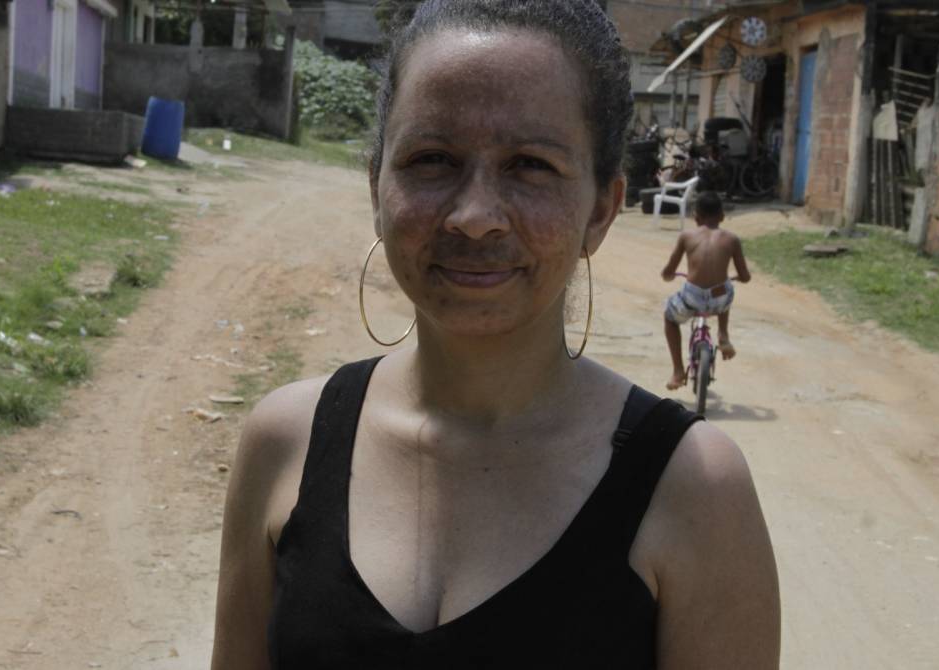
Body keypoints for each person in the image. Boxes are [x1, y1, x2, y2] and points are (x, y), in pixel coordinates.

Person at [211, 1, 779, 668]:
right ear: (376, 186)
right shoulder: (286, 442)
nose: (475, 216)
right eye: (431, 159)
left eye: (531, 166)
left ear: (601, 209)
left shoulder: (695, 490)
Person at [661, 191, 752, 391]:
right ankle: (723, 335)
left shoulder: (687, 236)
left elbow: (668, 271)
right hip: (719, 299)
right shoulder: (732, 239)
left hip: (692, 298)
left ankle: (678, 372)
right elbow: (745, 276)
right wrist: (739, 278)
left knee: (669, 317)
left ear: (696, 218)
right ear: (722, 216)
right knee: (726, 288)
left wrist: (668, 275)